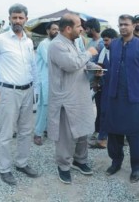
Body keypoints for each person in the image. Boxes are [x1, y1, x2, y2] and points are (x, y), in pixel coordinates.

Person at [0, 3, 39, 185]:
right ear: (9, 19)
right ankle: (4, 169)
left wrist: (35, 90)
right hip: (8, 92)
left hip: (27, 91)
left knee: (25, 131)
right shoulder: (1, 40)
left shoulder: (29, 41)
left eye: (20, 18)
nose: (17, 21)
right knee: (6, 133)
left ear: (26, 19)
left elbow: (33, 67)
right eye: (14, 17)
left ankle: (22, 163)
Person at [47, 13, 100, 184]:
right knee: (66, 135)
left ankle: (80, 160)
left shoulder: (74, 42)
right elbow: (71, 65)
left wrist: (94, 67)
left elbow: (80, 62)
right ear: (68, 28)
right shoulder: (56, 45)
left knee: (83, 130)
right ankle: (63, 166)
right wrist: (90, 53)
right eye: (79, 26)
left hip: (80, 95)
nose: (82, 29)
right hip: (66, 99)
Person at [103, 14, 139, 183]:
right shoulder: (114, 45)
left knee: (134, 134)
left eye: (126, 24)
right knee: (114, 132)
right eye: (120, 24)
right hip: (114, 96)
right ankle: (116, 162)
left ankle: (136, 167)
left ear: (133, 26)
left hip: (133, 97)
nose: (123, 27)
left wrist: (137, 86)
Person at [89, 28, 118, 149]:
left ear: (114, 40)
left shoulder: (121, 51)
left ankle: (118, 139)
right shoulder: (104, 51)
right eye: (104, 40)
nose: (105, 43)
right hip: (106, 86)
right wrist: (96, 81)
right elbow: (99, 66)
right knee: (104, 112)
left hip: (119, 88)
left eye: (106, 40)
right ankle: (102, 139)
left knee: (118, 113)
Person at [33, 22, 59, 146]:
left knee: (53, 106)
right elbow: (50, 61)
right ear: (48, 31)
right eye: (54, 29)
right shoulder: (44, 44)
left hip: (55, 80)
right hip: (45, 80)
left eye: (58, 29)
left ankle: (48, 130)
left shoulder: (57, 44)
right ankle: (37, 133)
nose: (57, 31)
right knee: (44, 107)